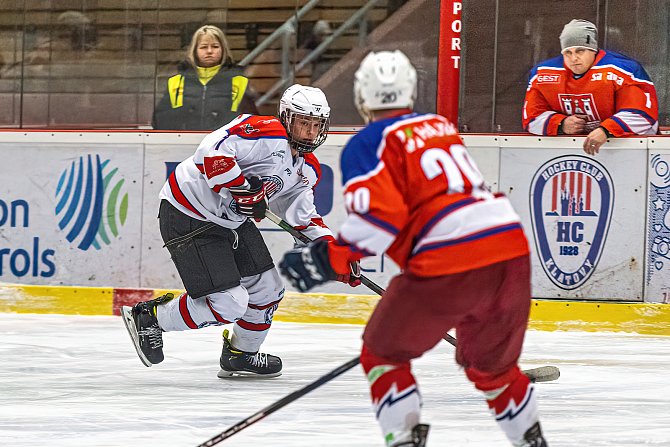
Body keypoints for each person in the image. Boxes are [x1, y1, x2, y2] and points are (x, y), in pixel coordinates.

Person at [279, 51, 548, 447]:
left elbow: (376, 224)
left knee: (382, 355)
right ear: (409, 89)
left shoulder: (367, 143)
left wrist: (327, 259)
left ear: (361, 97)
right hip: (509, 250)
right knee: (494, 371)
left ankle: (403, 440)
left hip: (447, 258)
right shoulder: (438, 125)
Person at [123, 84, 360, 378]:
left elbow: (304, 219)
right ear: (286, 118)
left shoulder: (307, 168)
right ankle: (150, 318)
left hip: (230, 223)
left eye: (316, 125)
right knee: (229, 303)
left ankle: (240, 354)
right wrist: (241, 188)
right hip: (189, 213)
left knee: (268, 290)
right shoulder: (266, 131)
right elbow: (209, 152)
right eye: (303, 122)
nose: (310, 131)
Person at [522, 19, 658, 156]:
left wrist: (606, 130)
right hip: (571, 155)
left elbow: (642, 115)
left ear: (593, 50)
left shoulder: (623, 69)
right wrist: (561, 124)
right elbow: (531, 117)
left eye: (580, 51)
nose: (573, 58)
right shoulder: (543, 73)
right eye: (568, 52)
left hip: (628, 154)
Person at [153, 25, 258, 130]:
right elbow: (159, 122)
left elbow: (251, 123)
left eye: (215, 46)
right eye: (203, 47)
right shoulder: (176, 81)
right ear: (195, 50)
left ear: (223, 49)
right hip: (184, 142)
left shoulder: (239, 81)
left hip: (224, 143)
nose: (209, 51)